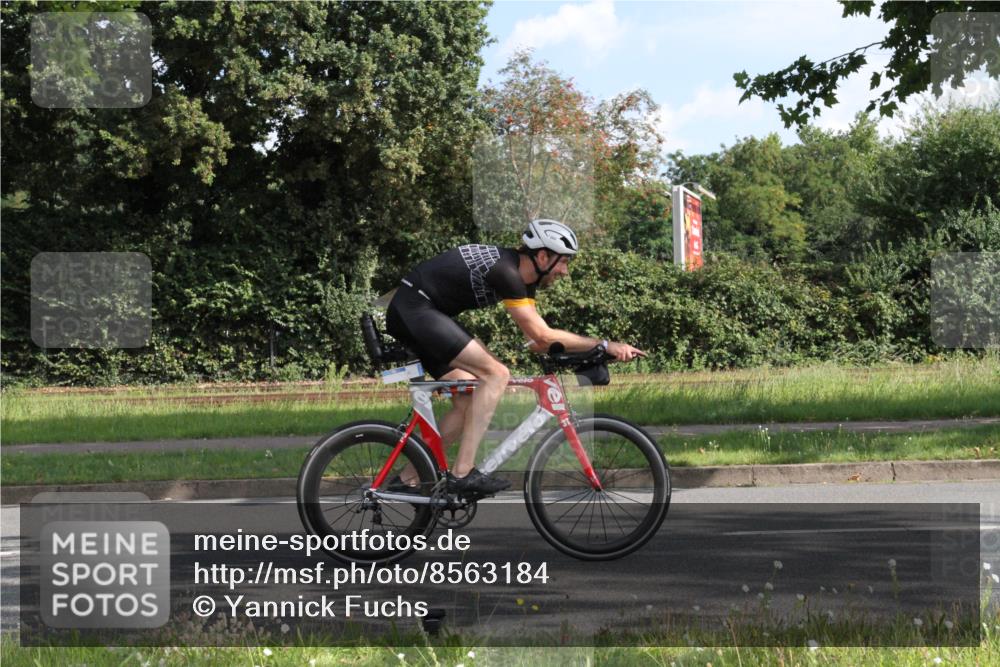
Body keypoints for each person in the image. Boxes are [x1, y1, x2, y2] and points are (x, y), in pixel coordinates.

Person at [384, 219, 646, 496]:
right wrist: (605, 345)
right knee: (496, 374)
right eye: (563, 262)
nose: (565, 271)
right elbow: (542, 337)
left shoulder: (522, 279)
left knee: (469, 398)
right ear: (543, 256)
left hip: (421, 313)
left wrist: (588, 352)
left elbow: (537, 341)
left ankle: (408, 479)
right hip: (415, 310)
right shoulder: (505, 271)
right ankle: (462, 475)